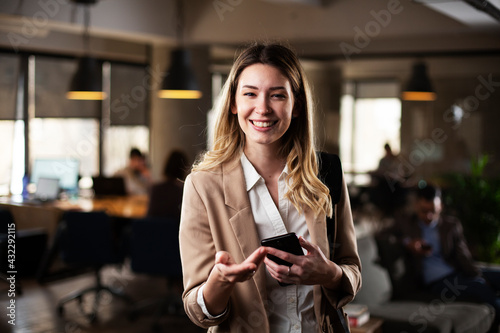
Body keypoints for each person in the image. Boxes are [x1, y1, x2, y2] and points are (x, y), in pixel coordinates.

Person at [179, 43, 361, 332]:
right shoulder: (203, 186)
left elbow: (351, 268)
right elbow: (198, 310)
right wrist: (221, 280)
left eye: (277, 95)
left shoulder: (326, 172)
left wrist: (329, 273)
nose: (262, 108)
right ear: (234, 103)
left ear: (297, 105)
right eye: (250, 93)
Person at [393, 184, 500, 332]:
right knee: (483, 290)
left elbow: (464, 257)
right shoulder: (405, 223)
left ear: (441, 206)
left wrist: (477, 275)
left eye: (433, 211)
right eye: (424, 211)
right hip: (438, 282)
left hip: (457, 272)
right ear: (417, 205)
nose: (429, 216)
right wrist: (408, 243)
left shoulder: (451, 225)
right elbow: (383, 235)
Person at [146, 149, 188, 219]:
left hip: (153, 228)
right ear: (183, 170)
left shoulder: (155, 189)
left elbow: (149, 215)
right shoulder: (182, 191)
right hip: (173, 229)